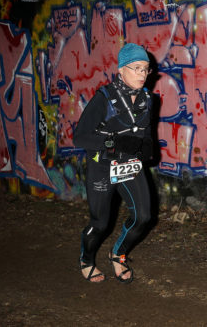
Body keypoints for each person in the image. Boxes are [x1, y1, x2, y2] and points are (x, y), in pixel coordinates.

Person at [73, 43, 154, 284]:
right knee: (100, 223)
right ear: (121, 70)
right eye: (136, 68)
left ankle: (117, 253)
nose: (141, 75)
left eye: (146, 69)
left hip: (128, 166)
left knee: (143, 217)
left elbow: (145, 133)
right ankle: (86, 260)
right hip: (102, 167)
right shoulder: (105, 97)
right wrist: (115, 142)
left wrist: (147, 147)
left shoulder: (147, 99)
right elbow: (80, 137)